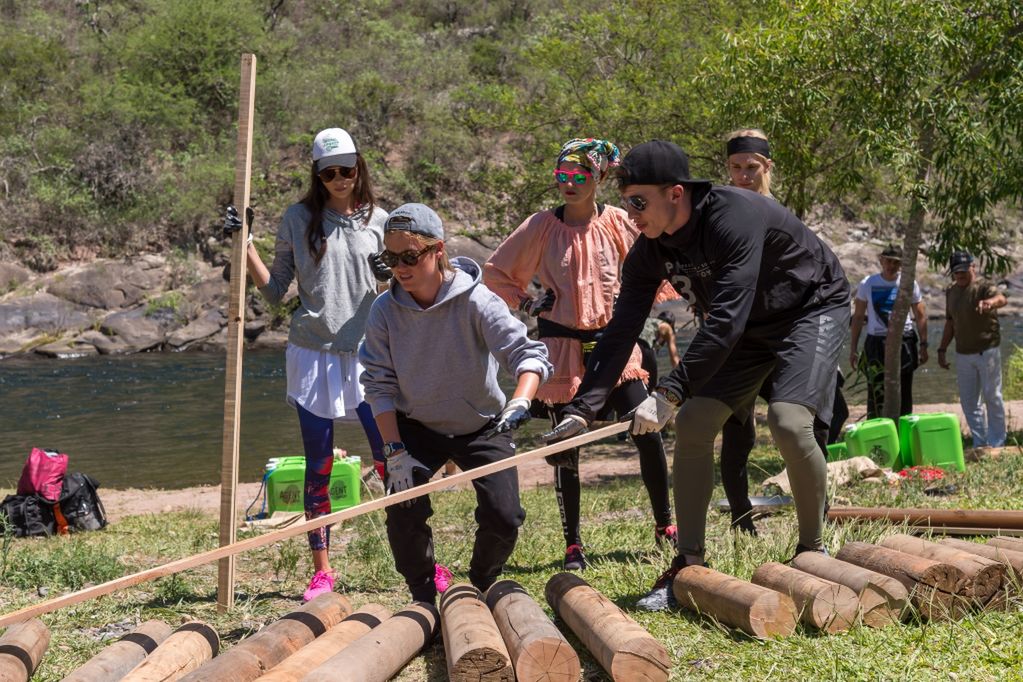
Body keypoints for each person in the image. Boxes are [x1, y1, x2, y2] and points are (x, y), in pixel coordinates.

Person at [544, 140, 850, 610]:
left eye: (639, 202)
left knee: (788, 421)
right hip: (746, 325)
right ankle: (687, 562)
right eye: (626, 202)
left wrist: (670, 389)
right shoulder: (648, 252)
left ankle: (812, 549)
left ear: (676, 193)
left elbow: (725, 317)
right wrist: (582, 410)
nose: (631, 213)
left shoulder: (733, 216)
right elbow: (621, 328)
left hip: (809, 310)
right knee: (693, 424)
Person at [484, 138, 676, 571]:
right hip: (561, 348)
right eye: (562, 176)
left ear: (599, 178)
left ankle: (665, 524)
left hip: (616, 347)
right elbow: (495, 272)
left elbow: (658, 252)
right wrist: (529, 301)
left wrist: (635, 300)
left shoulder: (620, 222)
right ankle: (573, 544)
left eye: (580, 176)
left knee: (646, 430)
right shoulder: (541, 226)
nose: (569, 184)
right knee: (565, 448)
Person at [223, 128, 392, 601]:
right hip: (311, 352)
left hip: (367, 355)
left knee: (390, 458)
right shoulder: (299, 219)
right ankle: (322, 570)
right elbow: (275, 290)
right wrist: (246, 244)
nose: (340, 179)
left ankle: (416, 559)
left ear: (360, 167)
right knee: (318, 464)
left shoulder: (381, 219)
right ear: (318, 175)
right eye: (329, 172)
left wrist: (393, 274)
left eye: (347, 169)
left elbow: (404, 288)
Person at [359, 203, 552, 604]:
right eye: (390, 258)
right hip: (416, 427)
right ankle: (424, 594)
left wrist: (520, 401)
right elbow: (378, 385)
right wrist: (394, 452)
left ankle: (479, 583)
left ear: (438, 250)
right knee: (403, 510)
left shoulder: (476, 301)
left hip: (483, 424)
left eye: (409, 256)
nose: (400, 267)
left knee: (505, 515)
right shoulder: (383, 311)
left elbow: (527, 354)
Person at [717, 129, 846, 535]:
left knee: (818, 421)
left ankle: (818, 517)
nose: (742, 176)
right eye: (735, 168)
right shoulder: (724, 214)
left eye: (751, 168)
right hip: (745, 335)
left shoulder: (782, 216)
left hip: (793, 334)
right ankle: (741, 517)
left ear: (767, 167)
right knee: (737, 429)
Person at [849, 244, 928, 418]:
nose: (892, 266)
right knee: (875, 390)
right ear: (881, 260)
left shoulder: (908, 284)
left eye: (896, 263)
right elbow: (858, 317)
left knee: (904, 390)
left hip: (904, 340)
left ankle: (903, 432)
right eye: (889, 261)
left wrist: (923, 344)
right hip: (876, 340)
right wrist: (853, 348)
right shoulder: (868, 283)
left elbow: (920, 314)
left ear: (902, 265)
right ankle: (877, 434)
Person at [937, 250, 1007, 448]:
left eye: (964, 271)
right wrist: (942, 349)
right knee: (969, 401)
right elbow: (950, 322)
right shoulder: (951, 292)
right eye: (956, 272)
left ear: (972, 268)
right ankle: (980, 441)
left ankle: (997, 441)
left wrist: (990, 303)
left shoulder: (983, 287)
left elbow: (1001, 299)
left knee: (992, 395)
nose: (960, 275)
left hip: (987, 350)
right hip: (963, 353)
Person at [637, 311, 681, 389]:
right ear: (671, 324)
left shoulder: (649, 321)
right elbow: (674, 359)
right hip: (644, 348)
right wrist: (681, 377)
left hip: (630, 347)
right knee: (651, 385)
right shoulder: (668, 327)